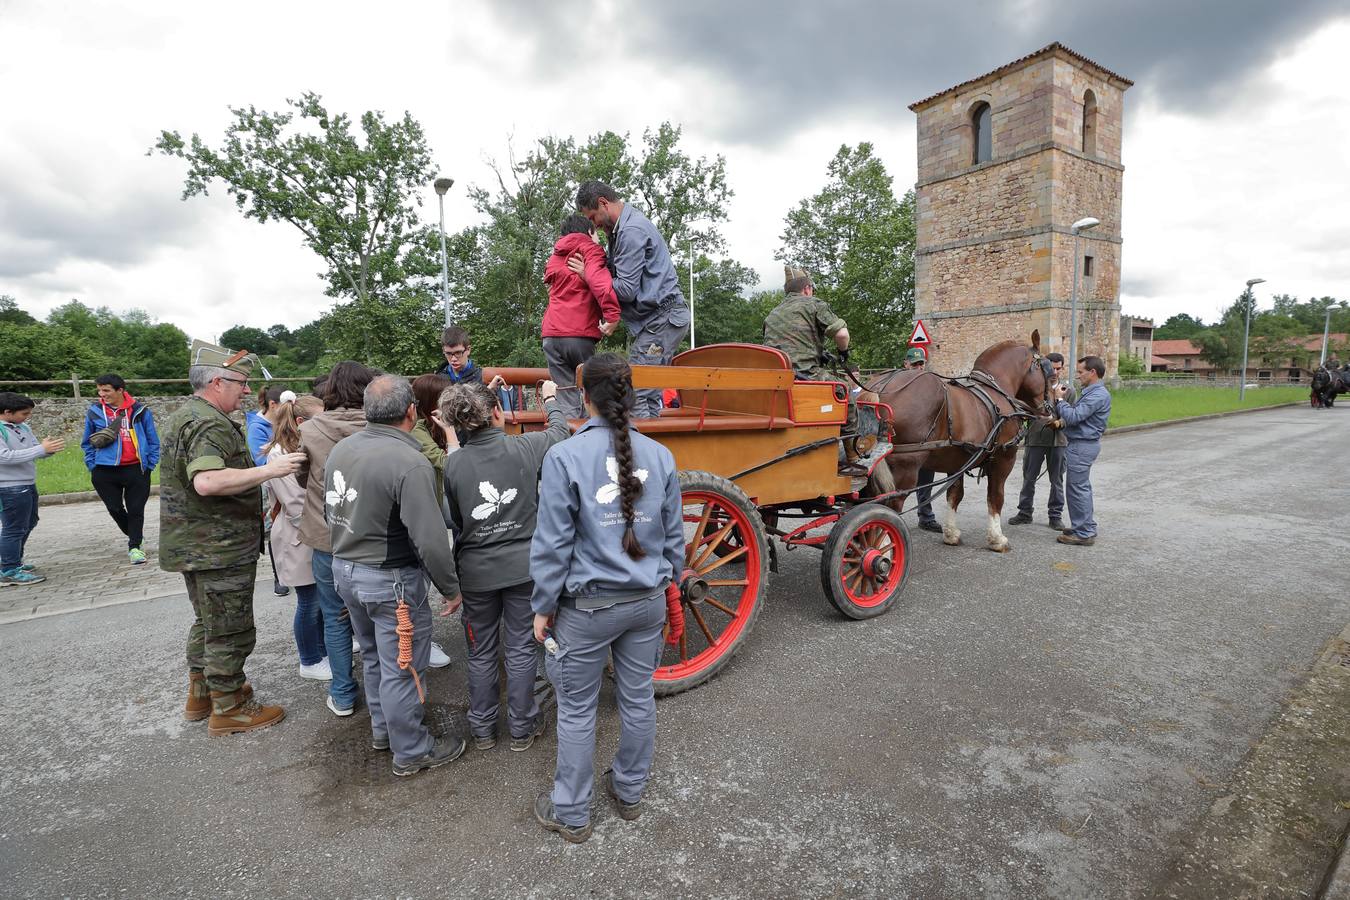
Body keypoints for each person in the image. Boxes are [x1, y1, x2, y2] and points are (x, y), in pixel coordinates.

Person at [529, 354, 686, 843]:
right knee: (638, 698)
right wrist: (667, 582)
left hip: (588, 608)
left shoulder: (564, 457)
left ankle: (572, 814)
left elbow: (552, 543)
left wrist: (542, 604)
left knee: (577, 710)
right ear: (632, 393)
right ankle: (630, 792)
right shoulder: (660, 456)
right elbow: (676, 540)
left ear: (584, 396)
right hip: (647, 601)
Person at [158, 341, 304, 735]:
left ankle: (202, 692)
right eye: (240, 383)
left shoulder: (188, 414)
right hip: (216, 548)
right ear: (217, 381)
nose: (245, 391)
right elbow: (206, 482)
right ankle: (231, 707)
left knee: (207, 623)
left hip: (196, 544)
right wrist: (271, 472)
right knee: (230, 628)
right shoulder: (208, 423)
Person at [327, 376, 468, 776]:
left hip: (346, 569)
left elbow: (329, 510)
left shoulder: (343, 448)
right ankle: (411, 750)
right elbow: (429, 539)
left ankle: (384, 731)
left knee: (374, 657)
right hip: (389, 580)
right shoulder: (408, 462)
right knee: (404, 668)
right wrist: (451, 587)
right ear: (412, 412)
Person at [436, 376, 571, 753]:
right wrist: (549, 399)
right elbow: (561, 431)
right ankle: (522, 728)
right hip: (524, 570)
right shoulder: (526, 447)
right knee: (523, 648)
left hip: (476, 574)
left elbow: (454, 520)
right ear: (496, 412)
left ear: (458, 423)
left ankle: (482, 730)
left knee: (480, 652)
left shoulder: (454, 464)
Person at [574, 181, 690, 418]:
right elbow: (617, 274)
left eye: (593, 216)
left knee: (634, 389)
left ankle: (640, 451)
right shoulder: (620, 230)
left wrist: (588, 277)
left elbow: (626, 289)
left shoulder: (631, 231)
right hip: (660, 320)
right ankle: (654, 447)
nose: (594, 223)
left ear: (603, 203)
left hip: (663, 318)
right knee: (649, 392)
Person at [298, 361, 374, 717]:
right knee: (386, 617)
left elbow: (302, 480)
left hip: (328, 538)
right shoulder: (381, 427)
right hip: (375, 538)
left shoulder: (311, 430)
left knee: (335, 617)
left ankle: (343, 691)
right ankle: (387, 687)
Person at [264, 392, 331, 681]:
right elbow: (294, 504)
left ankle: (321, 652)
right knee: (309, 601)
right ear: (302, 422)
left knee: (319, 599)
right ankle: (310, 659)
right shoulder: (279, 454)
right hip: (299, 536)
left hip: (310, 532)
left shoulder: (302, 445)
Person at [543, 213, 621, 418]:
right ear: (589, 232)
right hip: (578, 333)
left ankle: (568, 442)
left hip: (551, 335)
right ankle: (591, 441)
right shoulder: (591, 250)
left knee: (566, 394)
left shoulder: (555, 256)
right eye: (597, 234)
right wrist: (612, 315)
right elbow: (601, 284)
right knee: (592, 390)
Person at [80, 373, 160, 564]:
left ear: (120, 390)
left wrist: (150, 463)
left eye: (106, 390)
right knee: (114, 508)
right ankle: (135, 535)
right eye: (99, 390)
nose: (101, 394)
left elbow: (152, 438)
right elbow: (86, 441)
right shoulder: (95, 411)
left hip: (136, 469)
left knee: (136, 510)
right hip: (104, 470)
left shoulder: (140, 411)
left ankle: (135, 546)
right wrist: (92, 464)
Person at [0, 392, 64, 585]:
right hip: (9, 487)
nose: (27, 417)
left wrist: (47, 450)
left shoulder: (22, 427)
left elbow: (35, 449)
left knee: (29, 522)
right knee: (14, 528)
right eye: (24, 413)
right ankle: (9, 569)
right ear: (7, 412)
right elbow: (5, 457)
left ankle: (13, 560)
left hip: (27, 483)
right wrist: (40, 450)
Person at [1051, 355, 1112, 547]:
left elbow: (1075, 416)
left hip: (1083, 445)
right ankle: (1084, 526)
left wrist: (1060, 400)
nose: (1078, 376)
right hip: (1081, 444)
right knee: (1080, 488)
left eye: (1080, 372)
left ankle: (1084, 533)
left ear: (1092, 372)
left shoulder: (1097, 394)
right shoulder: (1091, 392)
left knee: (1078, 489)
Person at [1009, 352, 1070, 531]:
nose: (1056, 372)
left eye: (1058, 368)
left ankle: (1055, 515)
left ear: (1062, 368)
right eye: (1052, 368)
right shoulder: (1035, 389)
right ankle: (1025, 512)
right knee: (1028, 478)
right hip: (1035, 439)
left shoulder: (1069, 390)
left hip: (1058, 442)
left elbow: (1074, 416)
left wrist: (1060, 422)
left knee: (1056, 481)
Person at [899, 348, 943, 534]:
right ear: (905, 364)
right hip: (903, 443)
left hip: (924, 441)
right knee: (898, 483)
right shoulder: (898, 384)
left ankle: (926, 516)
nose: (918, 367)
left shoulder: (929, 385)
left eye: (921, 364)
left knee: (926, 479)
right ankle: (888, 518)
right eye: (914, 363)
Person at [438, 326, 518, 412]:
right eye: (448, 353)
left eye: (458, 353)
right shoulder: (438, 379)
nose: (453, 359)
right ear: (443, 351)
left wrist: (489, 391)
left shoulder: (484, 378)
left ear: (468, 350)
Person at [409, 373, 454, 510]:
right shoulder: (417, 430)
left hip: (439, 491)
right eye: (446, 398)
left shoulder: (432, 423)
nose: (451, 402)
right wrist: (449, 429)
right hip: (429, 501)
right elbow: (448, 464)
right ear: (432, 401)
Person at [246, 385, 285, 466]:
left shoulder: (283, 421)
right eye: (285, 406)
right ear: (272, 404)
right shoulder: (256, 428)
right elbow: (262, 461)